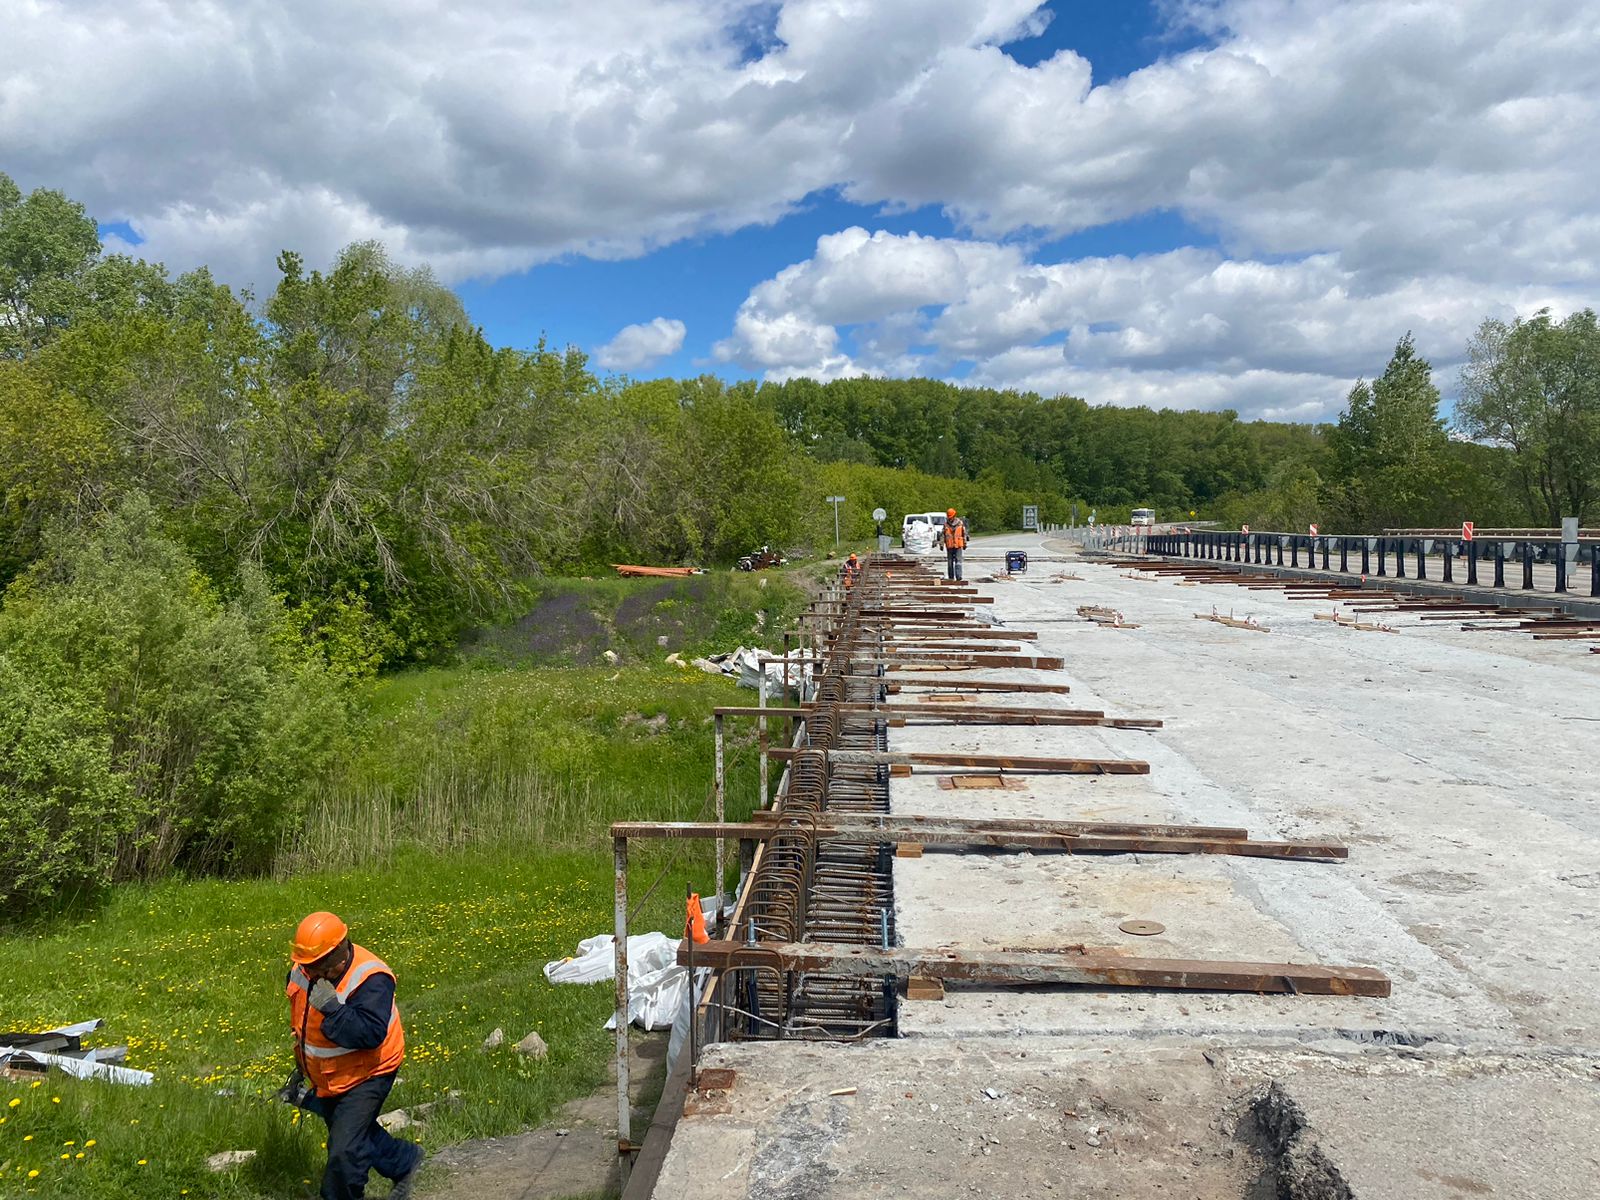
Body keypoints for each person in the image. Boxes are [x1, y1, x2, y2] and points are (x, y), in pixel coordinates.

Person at [280, 911, 424, 1200]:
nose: (310, 971)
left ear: (339, 956)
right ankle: (404, 1162)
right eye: (307, 964)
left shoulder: (372, 978)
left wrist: (334, 1009)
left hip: (370, 1071)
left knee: (344, 1153)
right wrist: (302, 1065)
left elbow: (370, 1035)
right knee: (353, 1134)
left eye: (317, 965)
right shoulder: (304, 968)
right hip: (330, 1073)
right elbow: (303, 1019)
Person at [943, 508, 968, 581]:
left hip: (958, 545)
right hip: (949, 545)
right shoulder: (946, 525)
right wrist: (941, 544)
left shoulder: (960, 524)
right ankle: (951, 577)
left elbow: (964, 534)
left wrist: (965, 543)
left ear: (954, 516)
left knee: (958, 562)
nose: (950, 519)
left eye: (950, 517)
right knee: (950, 562)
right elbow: (943, 535)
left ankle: (958, 576)